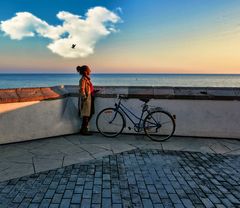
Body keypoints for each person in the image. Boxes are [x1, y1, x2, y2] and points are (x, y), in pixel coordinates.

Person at [76, 65, 95, 135]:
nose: (90, 71)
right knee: (86, 115)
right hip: (86, 99)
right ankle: (84, 130)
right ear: (85, 71)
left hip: (90, 98)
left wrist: (94, 91)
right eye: (89, 70)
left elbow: (88, 89)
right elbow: (82, 89)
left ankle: (83, 129)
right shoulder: (83, 79)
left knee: (89, 114)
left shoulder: (87, 79)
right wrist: (84, 98)